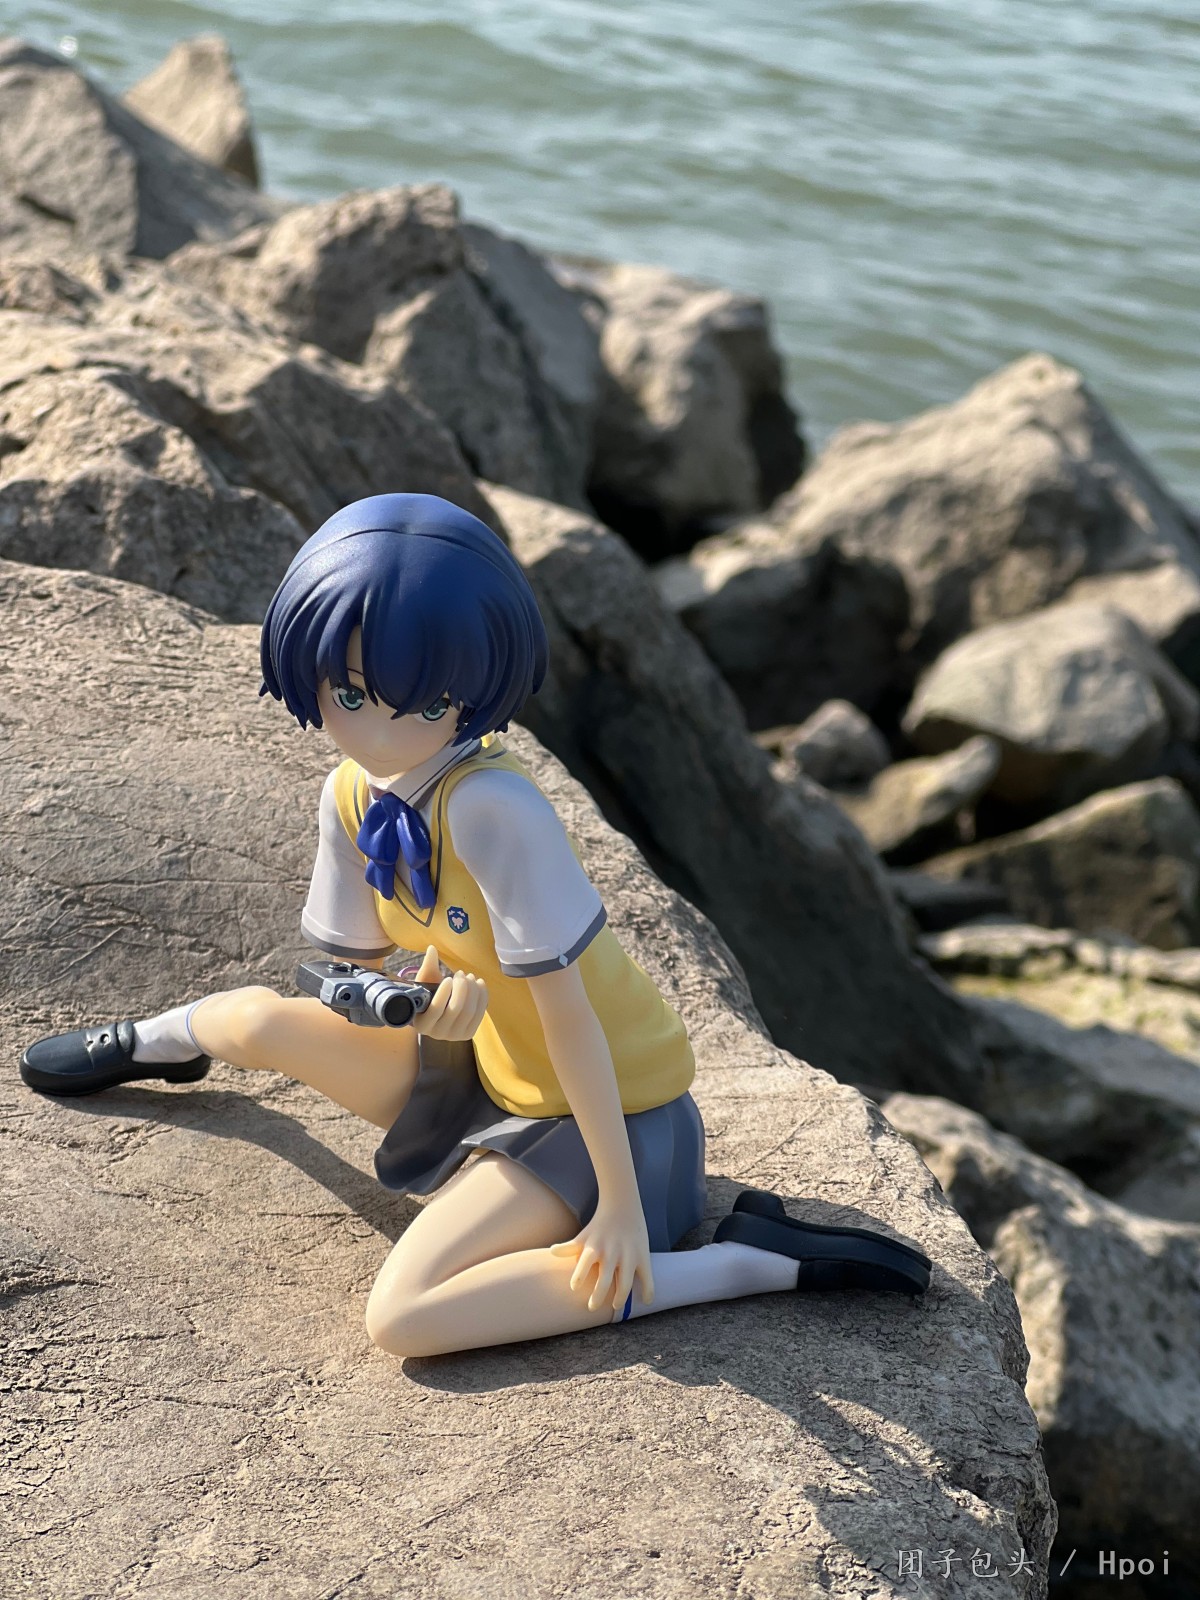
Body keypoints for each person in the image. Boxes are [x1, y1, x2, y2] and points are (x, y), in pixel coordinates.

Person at [20, 494, 929, 1357]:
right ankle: (155, 1044)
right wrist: (409, 1000)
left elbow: (571, 1017)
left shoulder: (496, 809)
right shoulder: (352, 794)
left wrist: (620, 1206)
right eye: (350, 695)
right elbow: (349, 972)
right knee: (254, 1020)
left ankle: (745, 1262)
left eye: (422, 705)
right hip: (485, 1069)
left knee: (404, 1317)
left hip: (606, 1119)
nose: (380, 733)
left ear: (471, 693)